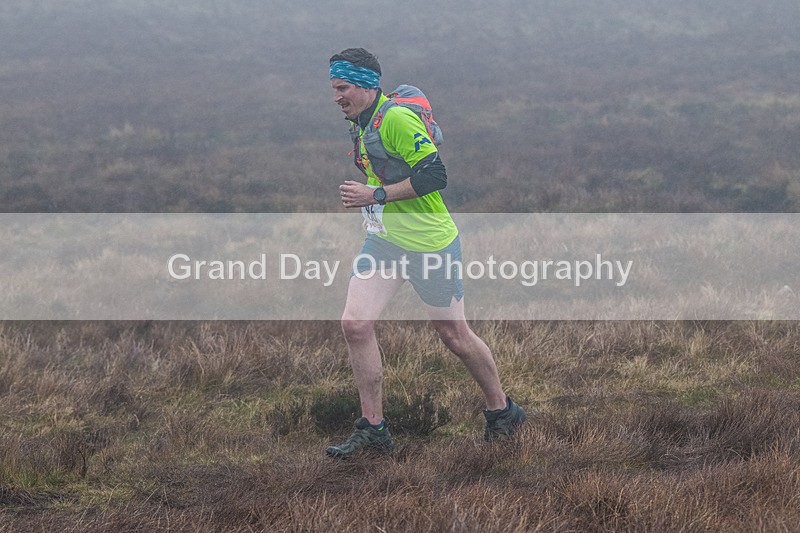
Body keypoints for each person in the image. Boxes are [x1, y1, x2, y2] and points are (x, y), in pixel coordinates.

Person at [325, 48, 525, 459]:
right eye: (333, 88)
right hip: (384, 242)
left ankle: (503, 412)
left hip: (431, 244)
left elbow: (436, 175)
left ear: (365, 85)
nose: (336, 97)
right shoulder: (361, 121)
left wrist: (375, 194)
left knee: (454, 336)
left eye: (342, 88)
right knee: (355, 324)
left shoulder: (395, 119)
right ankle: (374, 430)